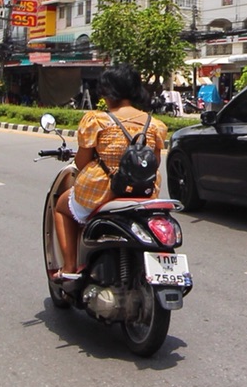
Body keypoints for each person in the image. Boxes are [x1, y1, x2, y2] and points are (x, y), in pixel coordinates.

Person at [50, 65, 168, 279]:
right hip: (143, 193)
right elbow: (155, 162)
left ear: (107, 91)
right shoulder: (155, 124)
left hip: (101, 192)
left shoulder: (96, 120)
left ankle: (68, 267)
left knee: (61, 205)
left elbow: (82, 162)